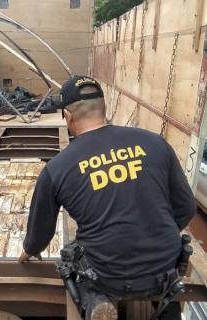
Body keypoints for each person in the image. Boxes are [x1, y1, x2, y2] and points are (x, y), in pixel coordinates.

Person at [18, 75, 196, 320]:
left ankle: (94, 303)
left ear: (68, 116)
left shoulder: (57, 169)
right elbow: (186, 208)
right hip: (163, 269)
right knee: (165, 295)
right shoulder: (155, 143)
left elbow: (39, 235)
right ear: (104, 108)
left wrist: (29, 249)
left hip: (108, 278)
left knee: (69, 259)